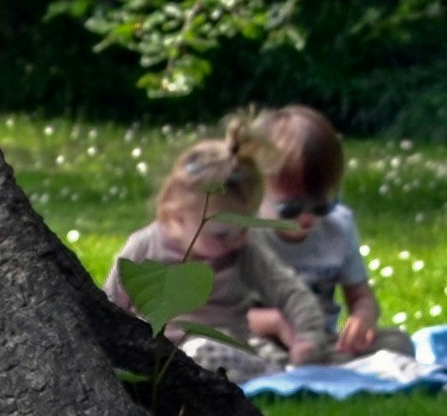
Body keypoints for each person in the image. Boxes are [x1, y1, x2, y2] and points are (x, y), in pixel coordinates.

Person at [105, 136, 328, 381]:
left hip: (223, 351)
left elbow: (290, 290)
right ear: (177, 213)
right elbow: (108, 304)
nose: (236, 240)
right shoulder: (144, 247)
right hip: (158, 353)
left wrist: (307, 337)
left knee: (206, 352)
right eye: (221, 234)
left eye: (245, 227)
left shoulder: (245, 251)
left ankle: (270, 373)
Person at [247, 102, 388, 359]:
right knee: (209, 352)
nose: (307, 217)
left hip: (321, 342)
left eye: (321, 206)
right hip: (256, 342)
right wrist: (274, 322)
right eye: (290, 208)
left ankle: (311, 367)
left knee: (395, 343)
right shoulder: (244, 234)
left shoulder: (338, 227)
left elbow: (361, 296)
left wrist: (362, 318)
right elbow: (218, 312)